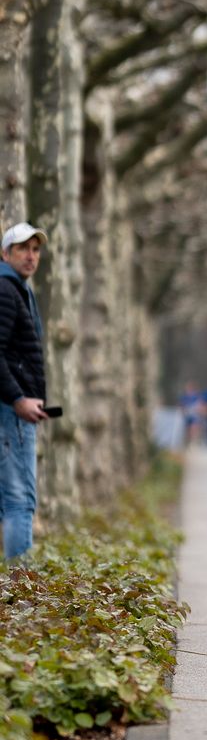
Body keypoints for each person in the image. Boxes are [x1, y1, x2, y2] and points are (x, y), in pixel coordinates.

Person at [0, 222, 49, 562]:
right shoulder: (6, 289)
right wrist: (18, 398)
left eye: (36, 249)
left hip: (14, 410)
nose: (31, 256)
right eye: (23, 249)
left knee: (12, 499)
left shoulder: (18, 289)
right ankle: (21, 592)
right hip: (10, 412)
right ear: (5, 254)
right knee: (20, 501)